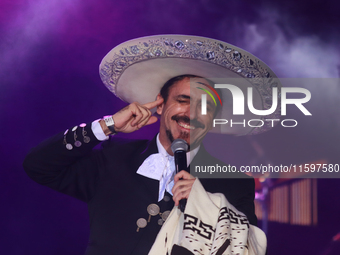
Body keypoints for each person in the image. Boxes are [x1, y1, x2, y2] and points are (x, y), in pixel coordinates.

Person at [24, 35, 280, 254]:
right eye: (183, 100)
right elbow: (38, 166)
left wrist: (207, 205)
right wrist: (107, 126)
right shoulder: (113, 159)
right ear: (161, 103)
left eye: (205, 107)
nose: (192, 113)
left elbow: (247, 249)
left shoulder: (233, 182)